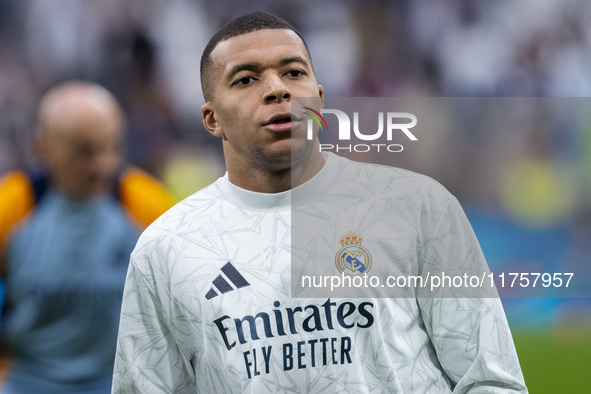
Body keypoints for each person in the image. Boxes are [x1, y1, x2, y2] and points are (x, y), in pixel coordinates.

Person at [113, 12, 528, 393]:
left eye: (293, 73)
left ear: (319, 98)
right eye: (246, 79)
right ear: (211, 118)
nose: (277, 89)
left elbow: (491, 378)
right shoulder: (164, 249)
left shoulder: (420, 207)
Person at [0, 81, 175, 393]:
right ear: (43, 146)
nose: (102, 164)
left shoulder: (146, 205)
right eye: (84, 151)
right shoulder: (14, 205)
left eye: (111, 147)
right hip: (26, 381)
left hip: (117, 382)